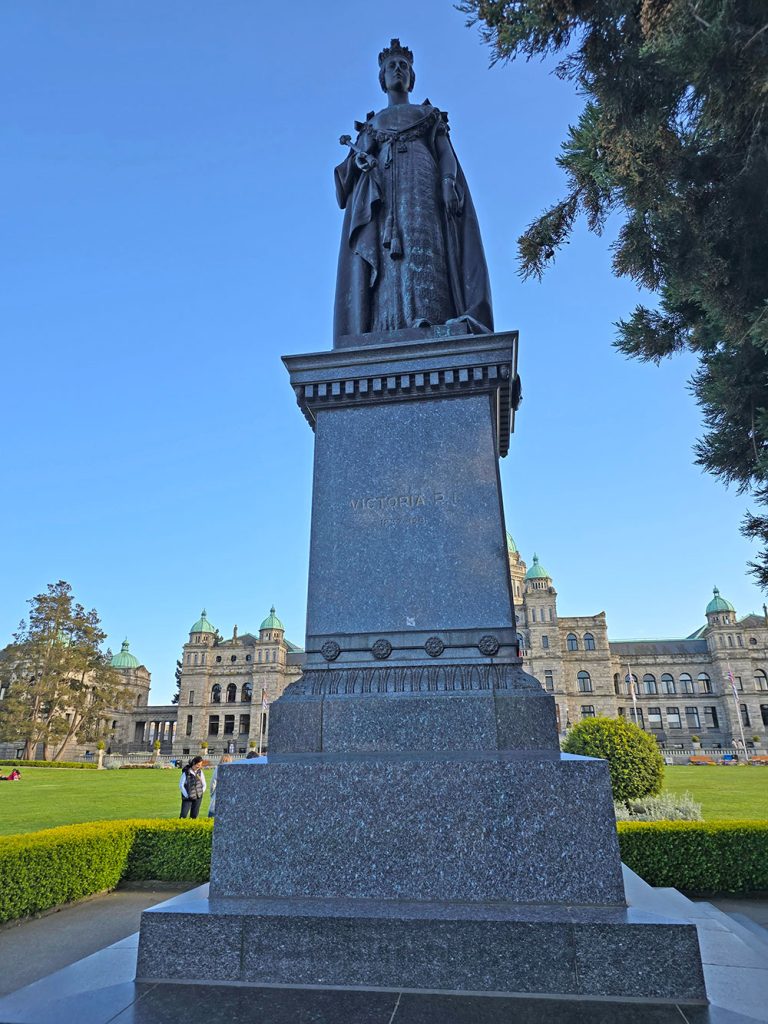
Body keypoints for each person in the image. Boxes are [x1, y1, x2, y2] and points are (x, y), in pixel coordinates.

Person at [333, 39, 493, 343]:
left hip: (422, 182)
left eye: (403, 66)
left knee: (424, 242)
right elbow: (351, 167)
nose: (397, 70)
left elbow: (445, 152)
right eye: (391, 66)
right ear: (382, 79)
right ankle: (387, 325)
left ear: (412, 77)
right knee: (389, 256)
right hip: (384, 193)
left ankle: (432, 316)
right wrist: (360, 162)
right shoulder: (372, 125)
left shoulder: (428, 114)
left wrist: (448, 181)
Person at [207, 754, 232, 818]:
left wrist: (212, 793)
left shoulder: (218, 768)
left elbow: (213, 782)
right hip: (229, 793)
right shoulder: (232, 769)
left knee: (213, 811)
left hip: (218, 793)